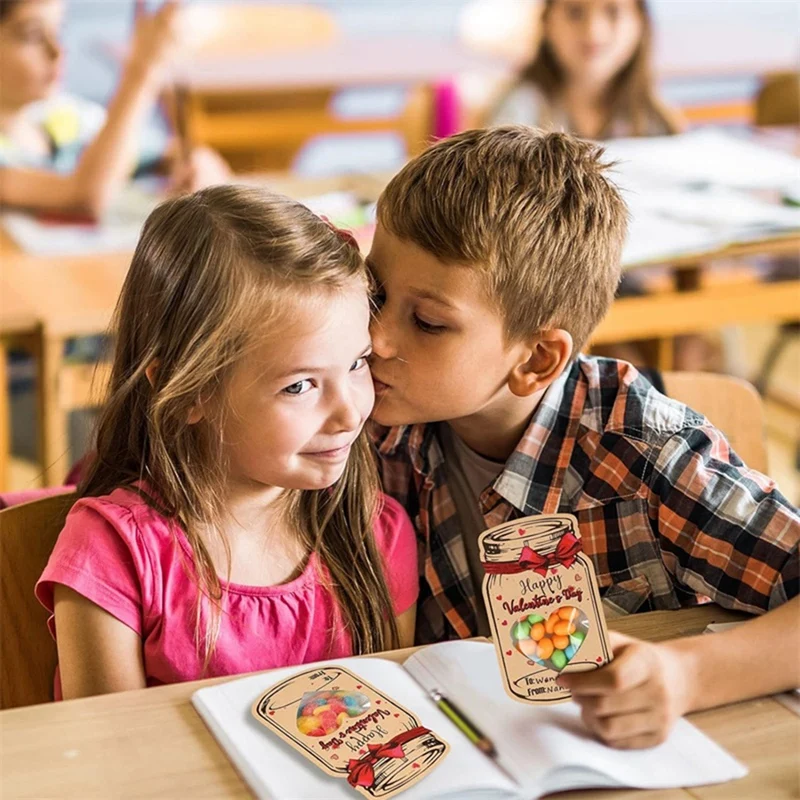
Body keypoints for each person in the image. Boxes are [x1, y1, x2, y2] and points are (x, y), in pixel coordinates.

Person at [366, 126, 800, 750]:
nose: (376, 338)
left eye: (428, 323)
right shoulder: (366, 421)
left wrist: (684, 676)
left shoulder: (641, 451)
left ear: (538, 358)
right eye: (375, 293)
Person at [36, 186, 418, 699]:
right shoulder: (113, 553)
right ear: (190, 391)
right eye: (300, 385)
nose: (351, 412)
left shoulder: (378, 534)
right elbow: (115, 765)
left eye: (357, 363)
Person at [0, 0, 229, 219]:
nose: (57, 51)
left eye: (59, 30)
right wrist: (142, 72)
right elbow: (82, 196)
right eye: (32, 36)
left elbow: (158, 154)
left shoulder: (65, 116)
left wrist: (195, 164)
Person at [488, 0, 679, 138]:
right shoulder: (517, 110)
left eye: (613, 11)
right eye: (575, 12)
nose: (593, 32)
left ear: (641, 23)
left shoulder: (655, 121)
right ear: (546, 22)